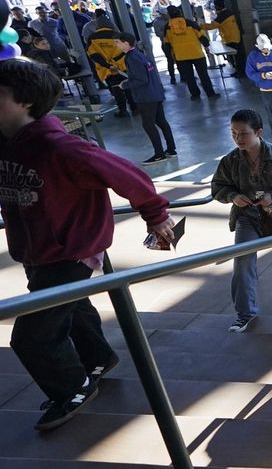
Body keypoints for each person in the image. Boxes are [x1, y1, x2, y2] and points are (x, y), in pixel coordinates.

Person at [0, 58, 174, 431]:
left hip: (71, 251)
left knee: (33, 336)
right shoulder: (8, 143)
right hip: (37, 249)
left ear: (25, 102)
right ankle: (97, 358)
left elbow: (130, 175)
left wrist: (156, 214)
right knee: (72, 308)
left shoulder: (62, 149)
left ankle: (73, 388)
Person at [212, 109, 272, 332]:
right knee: (242, 262)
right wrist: (232, 196)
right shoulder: (230, 161)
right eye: (233, 133)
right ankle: (244, 312)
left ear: (259, 132)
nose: (238, 139)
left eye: (243, 134)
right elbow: (218, 187)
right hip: (247, 217)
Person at [115, 33, 176, 164]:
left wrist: (125, 85)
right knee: (161, 122)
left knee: (148, 124)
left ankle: (159, 154)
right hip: (156, 92)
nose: (116, 45)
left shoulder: (132, 58)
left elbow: (141, 79)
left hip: (146, 96)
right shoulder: (140, 55)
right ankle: (171, 150)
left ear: (126, 43)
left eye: (118, 42)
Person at [164, 5, 218, 100]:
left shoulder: (167, 27)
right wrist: (206, 46)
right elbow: (202, 36)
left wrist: (170, 56)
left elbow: (167, 43)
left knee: (189, 77)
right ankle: (210, 94)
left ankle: (195, 95)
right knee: (203, 75)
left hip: (181, 56)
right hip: (196, 53)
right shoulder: (190, 23)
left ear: (169, 15)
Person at [84, 15, 133, 117]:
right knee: (127, 86)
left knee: (116, 89)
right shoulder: (118, 35)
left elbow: (93, 55)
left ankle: (122, 110)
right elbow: (126, 50)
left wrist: (107, 65)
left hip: (107, 69)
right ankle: (134, 107)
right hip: (121, 66)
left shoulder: (92, 39)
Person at [202, 0, 245, 78]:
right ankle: (239, 72)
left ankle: (241, 73)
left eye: (215, 6)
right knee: (237, 57)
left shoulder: (223, 15)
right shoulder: (228, 13)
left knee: (237, 57)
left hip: (231, 38)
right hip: (235, 37)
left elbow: (212, 26)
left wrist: (199, 26)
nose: (214, 8)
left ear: (218, 6)